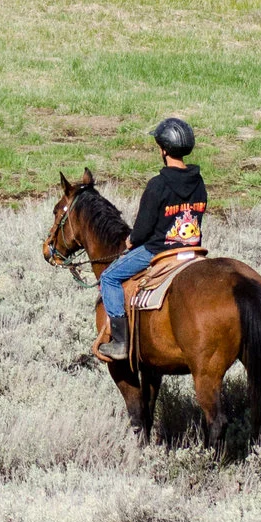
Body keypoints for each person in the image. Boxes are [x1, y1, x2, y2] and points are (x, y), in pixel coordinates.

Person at [96, 117, 207, 361]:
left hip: (159, 251)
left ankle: (121, 342)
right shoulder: (199, 182)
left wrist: (131, 241)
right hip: (193, 251)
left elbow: (143, 229)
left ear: (164, 150)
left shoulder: (158, 185)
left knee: (109, 277)